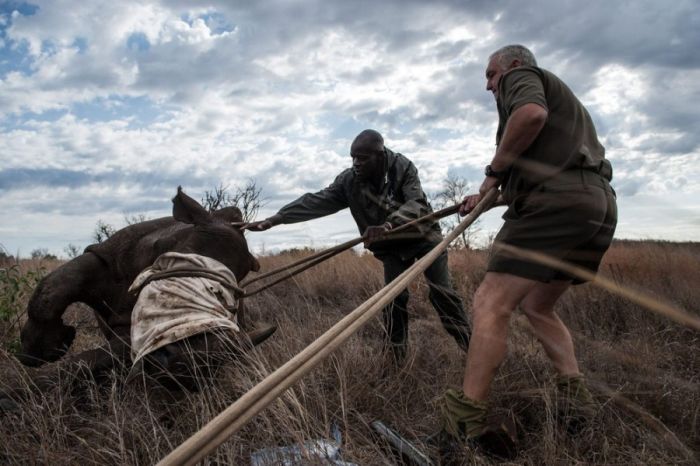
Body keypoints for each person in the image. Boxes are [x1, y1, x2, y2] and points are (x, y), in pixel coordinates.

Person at [439, 45, 617, 458]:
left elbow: (530, 116)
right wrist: (486, 194)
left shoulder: (522, 79)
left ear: (513, 66)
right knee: (538, 305)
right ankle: (576, 405)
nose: (488, 86)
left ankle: (462, 427)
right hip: (595, 204)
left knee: (489, 303)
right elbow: (533, 170)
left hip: (557, 203)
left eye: (490, 75)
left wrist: (494, 171)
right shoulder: (564, 118)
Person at [242, 129, 471, 363]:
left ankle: (472, 349)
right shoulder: (349, 180)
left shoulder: (402, 167)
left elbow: (417, 204)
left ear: (380, 156)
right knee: (393, 300)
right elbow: (318, 200)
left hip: (424, 238)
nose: (356, 164)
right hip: (391, 247)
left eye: (362, 158)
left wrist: (389, 224)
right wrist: (277, 219)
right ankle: (395, 360)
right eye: (353, 157)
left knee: (443, 294)